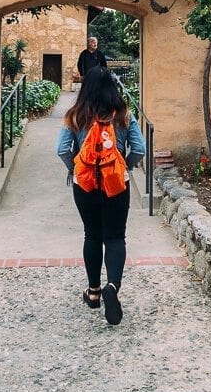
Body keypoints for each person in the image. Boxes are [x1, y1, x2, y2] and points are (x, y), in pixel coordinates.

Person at [56, 66, 146, 325]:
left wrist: (76, 169)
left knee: (92, 235)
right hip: (117, 185)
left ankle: (93, 292)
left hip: (84, 186)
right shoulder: (123, 114)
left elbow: (61, 148)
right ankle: (112, 287)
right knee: (115, 237)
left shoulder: (75, 115)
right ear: (112, 87)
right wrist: (124, 167)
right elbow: (139, 148)